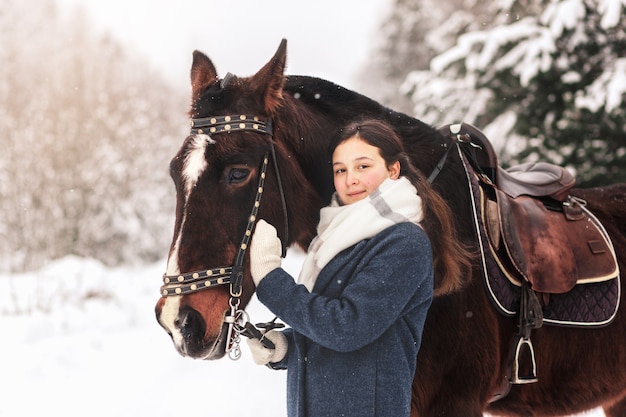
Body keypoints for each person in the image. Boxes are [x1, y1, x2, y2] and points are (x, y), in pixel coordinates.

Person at [247, 118, 468, 417]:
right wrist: (288, 346)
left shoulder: (404, 242)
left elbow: (347, 328)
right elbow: (335, 328)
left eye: (363, 166)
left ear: (393, 169)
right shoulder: (337, 238)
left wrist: (270, 279)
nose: (350, 179)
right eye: (341, 170)